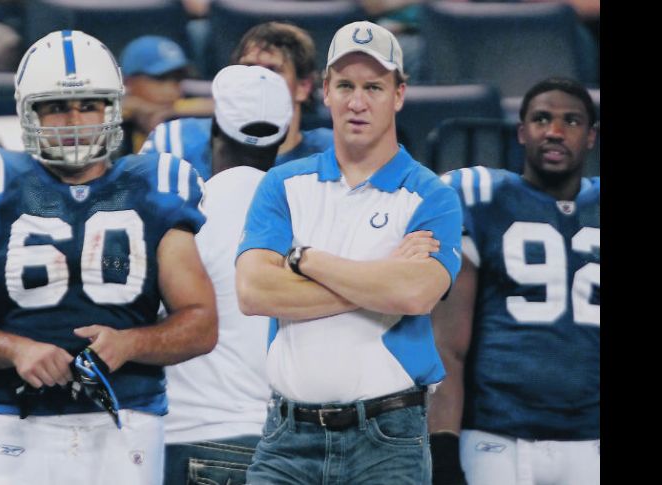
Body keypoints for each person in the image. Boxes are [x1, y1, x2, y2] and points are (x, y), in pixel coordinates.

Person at [0, 30, 218, 485]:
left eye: (88, 104)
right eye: (56, 106)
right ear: (28, 110)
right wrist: (15, 349)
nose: (74, 119)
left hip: (127, 421)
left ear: (113, 107)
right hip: (16, 419)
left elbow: (201, 323)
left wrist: (132, 342)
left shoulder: (155, 183)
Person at [235, 20, 463, 484]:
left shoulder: (431, 196)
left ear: (399, 94)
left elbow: (417, 295)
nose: (357, 102)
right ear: (325, 91)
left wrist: (304, 261)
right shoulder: (282, 184)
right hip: (286, 436)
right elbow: (255, 291)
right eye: (345, 85)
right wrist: (382, 280)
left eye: (374, 87)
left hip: (387, 440)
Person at [428, 77, 600, 485]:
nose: (555, 131)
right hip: (497, 436)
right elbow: (448, 346)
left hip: (590, 437)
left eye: (571, 121)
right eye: (542, 119)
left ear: (591, 137)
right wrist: (444, 447)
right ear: (522, 132)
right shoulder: (482, 196)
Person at [163, 64, 293, 485]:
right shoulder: (306, 216)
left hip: (195, 435)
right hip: (285, 447)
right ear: (285, 136)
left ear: (215, 127)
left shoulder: (186, 211)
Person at [139, 21, 333, 180]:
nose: (255, 79)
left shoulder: (331, 154)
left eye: (272, 70)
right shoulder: (178, 141)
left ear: (303, 87)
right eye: (248, 67)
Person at [118, 35, 214, 155]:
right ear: (129, 81)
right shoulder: (112, 115)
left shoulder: (181, 111)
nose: (171, 90)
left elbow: (222, 107)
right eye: (160, 78)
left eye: (177, 79)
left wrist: (172, 112)